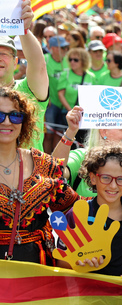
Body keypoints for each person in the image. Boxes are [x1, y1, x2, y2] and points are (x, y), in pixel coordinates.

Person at [0, 87, 78, 264]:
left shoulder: (43, 165)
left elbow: (74, 207)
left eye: (15, 116)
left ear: (24, 121)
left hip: (39, 275)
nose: (6, 122)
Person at [56, 143, 122, 278]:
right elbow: (60, 263)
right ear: (93, 178)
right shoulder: (77, 215)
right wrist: (78, 263)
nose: (113, 186)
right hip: (88, 295)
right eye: (106, 178)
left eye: (121, 179)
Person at [1, 1, 50, 153]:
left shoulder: (29, 91)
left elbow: (39, 67)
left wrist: (23, 30)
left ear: (16, 61)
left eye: (4, 54)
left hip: (29, 175)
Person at [43, 35, 69, 152]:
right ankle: (45, 158)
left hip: (64, 104)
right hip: (50, 104)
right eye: (62, 48)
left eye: (65, 48)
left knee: (59, 135)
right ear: (53, 48)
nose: (65, 50)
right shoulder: (45, 59)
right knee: (48, 134)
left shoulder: (69, 61)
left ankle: (55, 161)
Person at [57, 48, 96, 114]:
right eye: (70, 59)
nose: (72, 62)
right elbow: (61, 94)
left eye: (76, 60)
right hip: (68, 112)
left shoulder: (91, 76)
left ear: (83, 61)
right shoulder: (65, 75)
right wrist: (71, 111)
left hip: (86, 113)